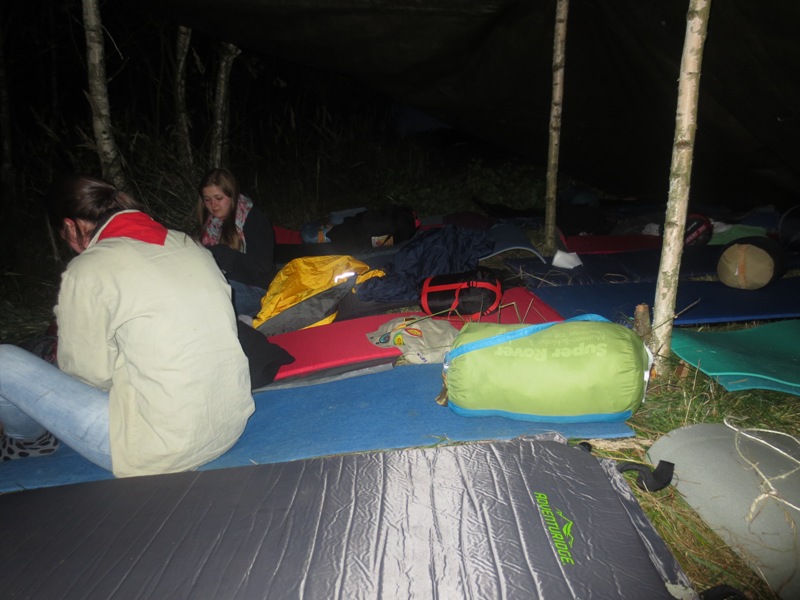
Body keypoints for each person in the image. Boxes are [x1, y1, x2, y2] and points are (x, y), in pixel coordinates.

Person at [0, 175, 255, 477]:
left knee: (5, 361)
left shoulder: (88, 268)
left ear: (70, 226)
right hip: (231, 422)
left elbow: (88, 376)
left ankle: (28, 441)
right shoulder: (189, 244)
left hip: (164, 448)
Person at [197, 168, 275, 316]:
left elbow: (262, 267)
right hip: (224, 282)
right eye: (207, 199)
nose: (213, 205)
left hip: (258, 290)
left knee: (208, 299)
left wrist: (225, 255)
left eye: (218, 198)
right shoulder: (211, 224)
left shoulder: (254, 219)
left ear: (232, 195)